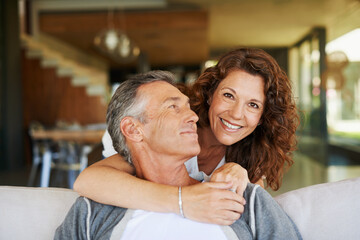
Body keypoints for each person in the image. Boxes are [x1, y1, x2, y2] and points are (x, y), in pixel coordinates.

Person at [55, 71, 301, 240]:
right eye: (173, 107)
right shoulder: (93, 210)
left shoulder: (244, 197)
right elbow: (88, 179)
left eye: (253, 105)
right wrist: (183, 201)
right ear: (133, 129)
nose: (193, 117)